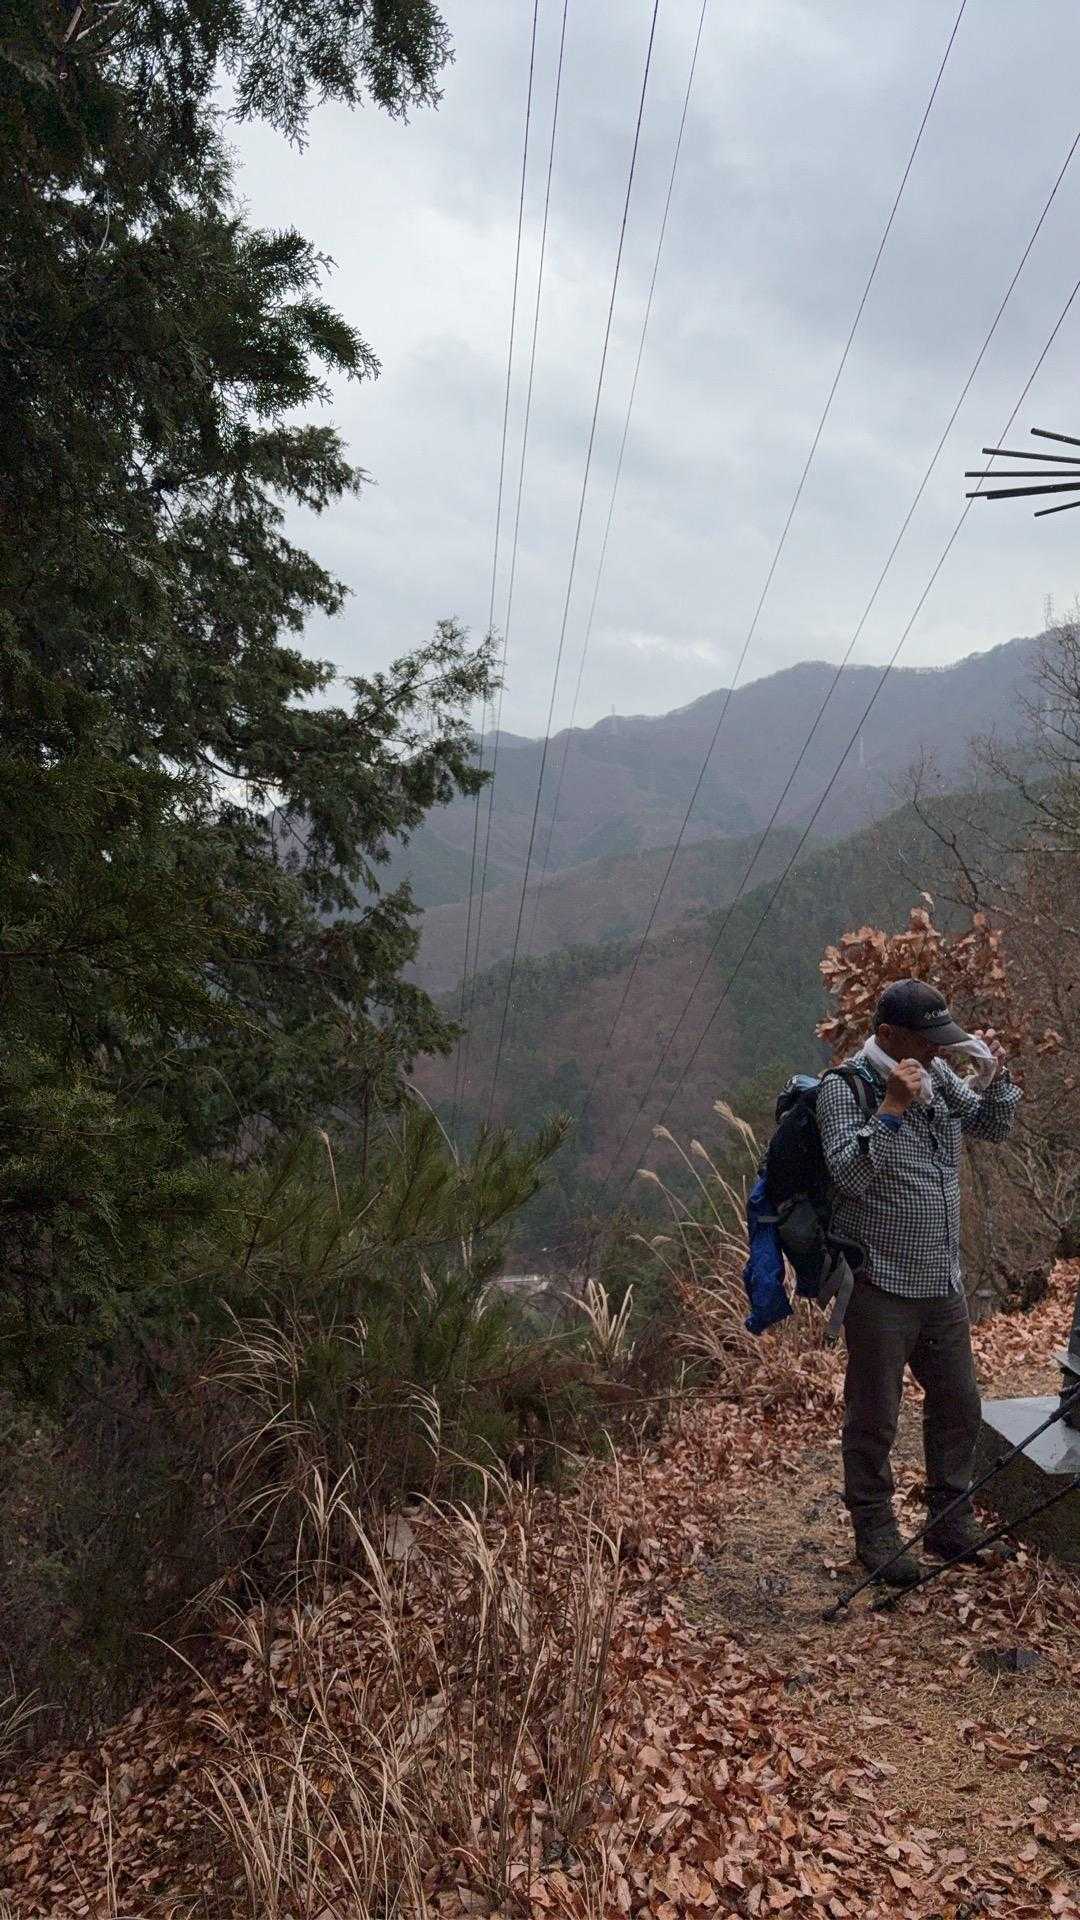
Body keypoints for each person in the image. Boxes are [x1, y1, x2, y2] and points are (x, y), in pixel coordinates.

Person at [816, 979, 1021, 1586]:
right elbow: (849, 1175)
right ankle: (876, 1532)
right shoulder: (844, 1088)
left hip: (942, 1282)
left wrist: (996, 1079)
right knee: (875, 1415)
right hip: (879, 1283)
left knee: (959, 1404)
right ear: (887, 1036)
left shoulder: (938, 1073)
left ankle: (950, 1521)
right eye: (926, 1040)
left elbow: (991, 1128)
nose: (937, 1050)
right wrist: (892, 1110)